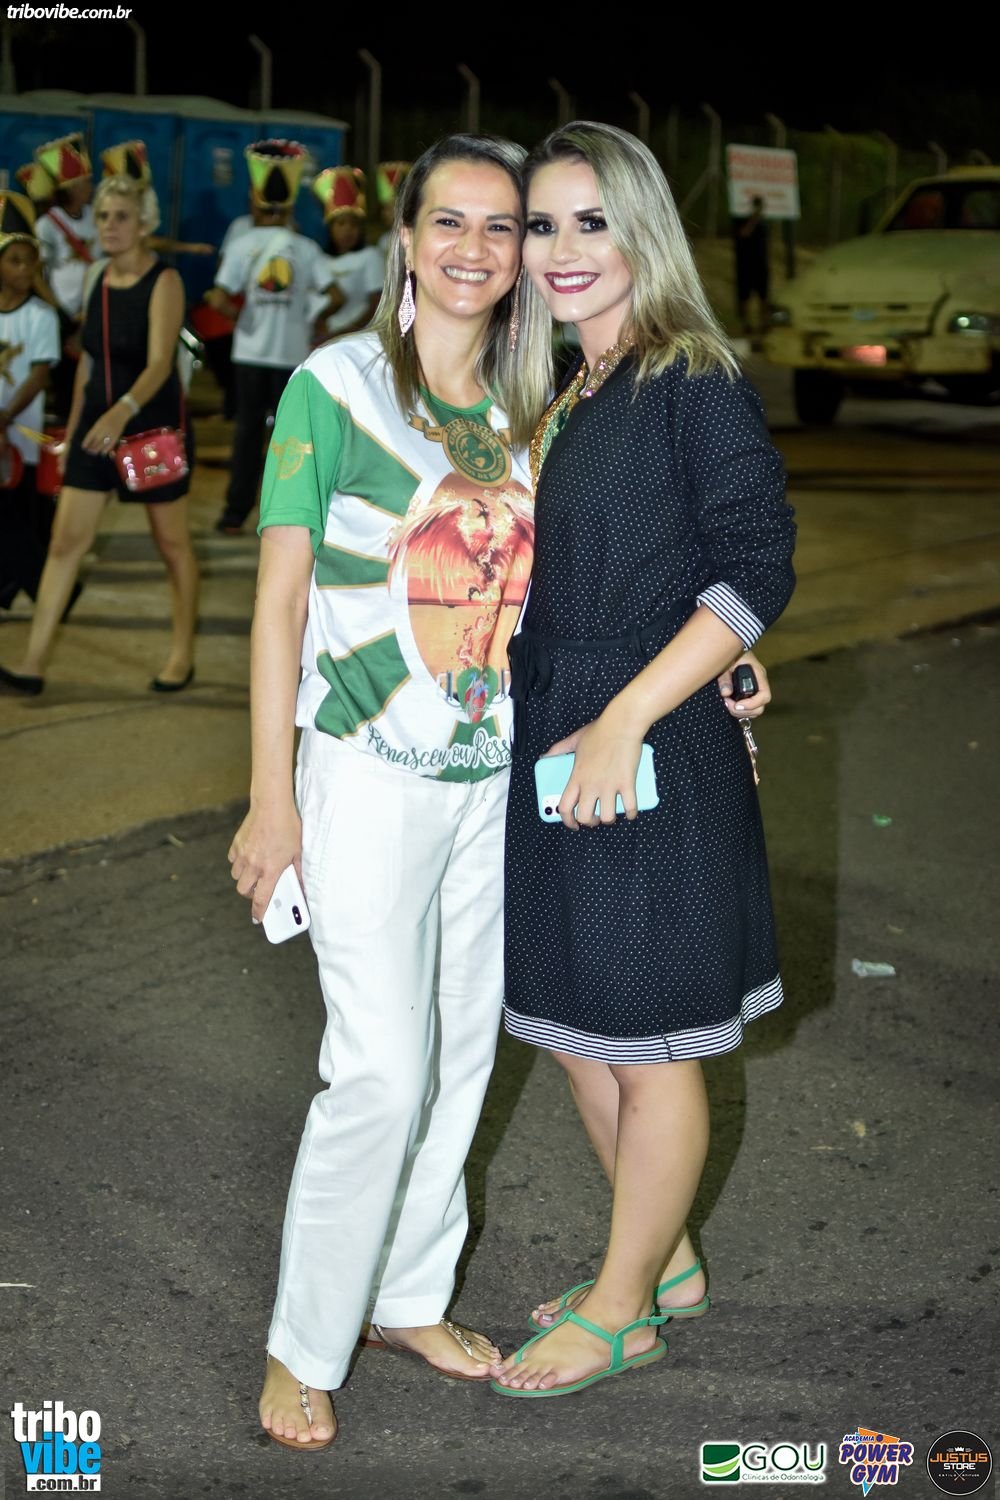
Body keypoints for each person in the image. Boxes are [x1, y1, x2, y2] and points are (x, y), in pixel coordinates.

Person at [227, 128, 773, 1449]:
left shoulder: (547, 403)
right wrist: (268, 797)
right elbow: (283, 602)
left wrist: (724, 669)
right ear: (404, 241)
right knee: (386, 1069)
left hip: (511, 778)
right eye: (461, 223)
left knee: (480, 1055)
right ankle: (305, 1341)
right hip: (381, 771)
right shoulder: (350, 386)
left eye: (512, 223)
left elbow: (691, 562)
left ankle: (415, 1296)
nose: (495, 248)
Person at [491, 122, 795, 1398]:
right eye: (542, 224)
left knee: (649, 1041)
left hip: (643, 746)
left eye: (591, 221)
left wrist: (632, 712)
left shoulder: (690, 376)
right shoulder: (569, 388)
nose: (562, 250)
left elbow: (755, 564)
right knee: (573, 1025)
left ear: (642, 230)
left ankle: (621, 1312)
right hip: (555, 734)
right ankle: (660, 1260)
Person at [0, 173, 198, 697]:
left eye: (121, 217)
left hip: (149, 432)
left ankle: (182, 654)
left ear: (144, 224)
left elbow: (160, 364)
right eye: (104, 216)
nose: (109, 225)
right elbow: (89, 362)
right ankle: (33, 662)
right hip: (94, 432)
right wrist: (74, 434)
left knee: (172, 544)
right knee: (65, 544)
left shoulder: (165, 281)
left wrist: (121, 412)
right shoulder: (95, 277)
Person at [205, 140, 340, 535]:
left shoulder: (242, 244)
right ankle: (290, 517)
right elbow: (335, 295)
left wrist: (241, 317)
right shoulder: (306, 248)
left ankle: (235, 514)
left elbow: (217, 296)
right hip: (290, 357)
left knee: (247, 435)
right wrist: (315, 321)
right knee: (291, 441)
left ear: (255, 198)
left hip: (251, 353)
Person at [0, 191, 61, 612]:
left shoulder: (40, 315)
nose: (24, 269)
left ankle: (51, 592)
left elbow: (39, 376)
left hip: (20, 437)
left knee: (19, 519)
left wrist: (4, 416)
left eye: (30, 261)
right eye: (14, 261)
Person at [33, 134, 98, 424]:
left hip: (90, 311)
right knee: (64, 380)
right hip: (62, 315)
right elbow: (37, 274)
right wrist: (59, 313)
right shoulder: (47, 224)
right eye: (86, 182)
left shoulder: (95, 217)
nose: (91, 187)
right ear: (70, 187)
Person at [310, 166, 383, 340]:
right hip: (323, 341)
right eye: (341, 224)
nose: (348, 230)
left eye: (354, 224)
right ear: (330, 228)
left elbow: (376, 307)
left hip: (357, 340)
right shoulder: (321, 259)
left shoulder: (370, 256)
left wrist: (342, 334)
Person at [733, 193, 770, 338]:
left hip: (761, 264)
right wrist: (754, 219)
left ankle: (764, 323)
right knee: (745, 297)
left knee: (764, 296)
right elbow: (744, 234)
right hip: (746, 264)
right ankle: (746, 324)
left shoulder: (763, 222)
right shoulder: (742, 220)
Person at [376, 160, 411, 258]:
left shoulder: (417, 237)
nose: (384, 214)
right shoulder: (383, 241)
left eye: (388, 209)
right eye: (383, 209)